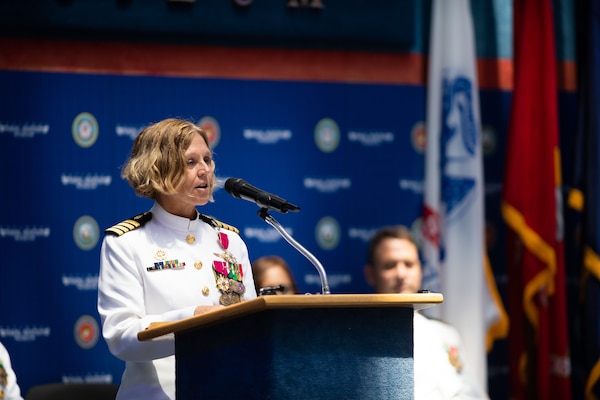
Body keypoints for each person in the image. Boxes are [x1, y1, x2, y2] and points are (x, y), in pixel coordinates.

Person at [97, 118, 257, 400]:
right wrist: (189, 321)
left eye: (207, 159)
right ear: (159, 168)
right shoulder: (126, 242)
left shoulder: (230, 240)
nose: (205, 170)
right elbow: (120, 337)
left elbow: (253, 326)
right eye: (191, 161)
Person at [363, 225, 488, 400]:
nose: (401, 273)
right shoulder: (359, 336)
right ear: (370, 274)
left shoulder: (446, 333)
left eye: (409, 264)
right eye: (390, 265)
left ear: (420, 269)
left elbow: (472, 394)